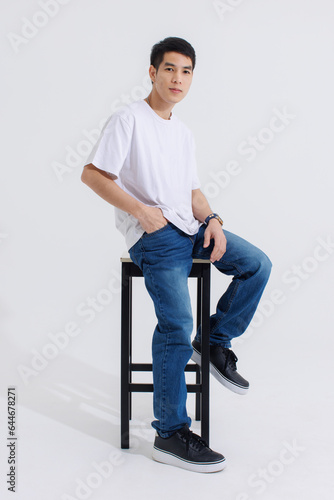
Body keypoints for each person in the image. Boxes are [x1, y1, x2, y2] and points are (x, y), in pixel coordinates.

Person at [81, 36, 272, 473]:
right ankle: (169, 432)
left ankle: (214, 340)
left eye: (186, 71)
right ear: (153, 72)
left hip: (190, 226)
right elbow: (92, 174)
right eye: (170, 69)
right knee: (176, 321)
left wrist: (215, 220)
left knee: (257, 264)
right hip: (154, 236)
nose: (177, 79)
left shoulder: (181, 132)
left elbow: (192, 192)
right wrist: (139, 211)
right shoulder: (128, 119)